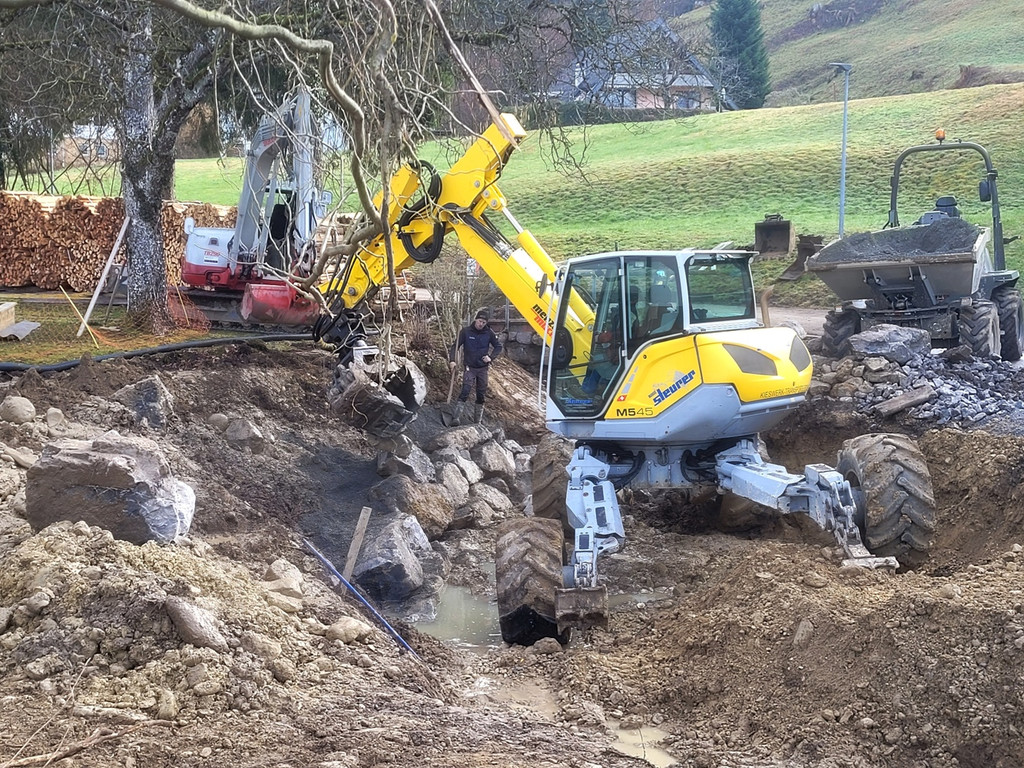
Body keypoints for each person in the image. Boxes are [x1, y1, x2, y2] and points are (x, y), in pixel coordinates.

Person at [449, 310, 503, 424]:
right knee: (466, 390)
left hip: (483, 368)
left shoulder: (489, 333)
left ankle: (477, 422)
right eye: (480, 321)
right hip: (470, 367)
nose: (481, 324)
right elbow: (455, 346)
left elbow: (498, 346)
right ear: (475, 320)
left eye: (484, 322)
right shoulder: (466, 332)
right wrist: (452, 360)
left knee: (481, 394)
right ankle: (455, 418)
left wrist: (491, 357)